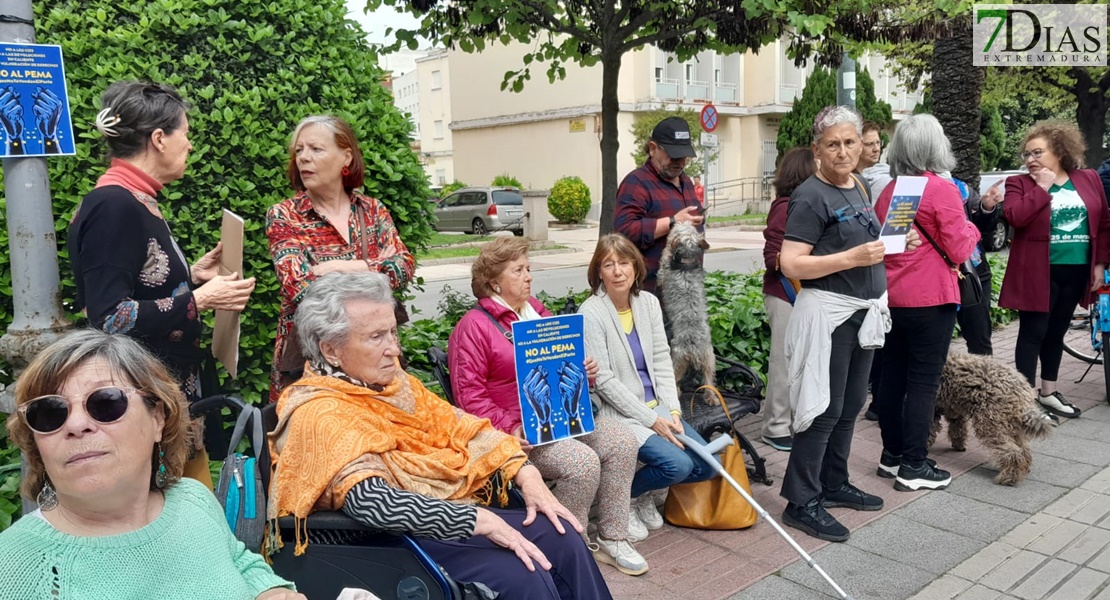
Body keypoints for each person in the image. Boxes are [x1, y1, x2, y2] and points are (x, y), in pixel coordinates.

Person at [267, 273, 614, 598]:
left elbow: (458, 423)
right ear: (331, 350)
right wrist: (478, 519)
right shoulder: (320, 411)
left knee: (564, 535)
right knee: (524, 571)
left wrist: (526, 472)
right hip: (388, 541)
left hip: (442, 516)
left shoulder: (392, 383)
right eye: (376, 337)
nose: (394, 349)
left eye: (392, 332)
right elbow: (372, 501)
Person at [0, 329, 302, 600]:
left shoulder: (192, 500)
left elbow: (238, 560)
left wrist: (269, 590)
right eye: (50, 412)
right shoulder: (13, 568)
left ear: (158, 417)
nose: (77, 424)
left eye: (105, 402)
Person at [67, 80, 255, 487]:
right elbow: (110, 317)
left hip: (162, 403)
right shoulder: (116, 206)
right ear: (158, 138)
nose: (189, 145)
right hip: (143, 407)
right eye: (184, 134)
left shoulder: (131, 199)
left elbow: (137, 284)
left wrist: (191, 276)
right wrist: (200, 300)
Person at [447, 237, 646, 575]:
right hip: (518, 433)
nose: (528, 277)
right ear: (494, 280)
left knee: (622, 440)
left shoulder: (537, 313)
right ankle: (569, 546)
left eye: (529, 269)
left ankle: (613, 536)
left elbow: (564, 366)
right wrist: (510, 427)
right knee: (581, 463)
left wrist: (585, 372)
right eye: (519, 270)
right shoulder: (473, 327)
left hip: (562, 417)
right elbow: (469, 399)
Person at [779, 106, 920, 542]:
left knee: (850, 404)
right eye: (833, 144)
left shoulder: (857, 185)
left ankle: (833, 483)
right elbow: (790, 263)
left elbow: (866, 243)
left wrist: (898, 240)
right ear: (817, 150)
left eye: (850, 142)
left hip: (863, 312)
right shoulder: (810, 195)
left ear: (862, 145)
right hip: (830, 314)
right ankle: (801, 501)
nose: (843, 151)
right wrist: (851, 259)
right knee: (822, 408)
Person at [267, 115, 415, 402]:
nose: (303, 158)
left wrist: (350, 266)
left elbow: (405, 265)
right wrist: (376, 273)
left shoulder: (372, 210)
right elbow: (302, 288)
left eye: (316, 149)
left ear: (345, 157)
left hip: (374, 357)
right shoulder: (284, 216)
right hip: (314, 363)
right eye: (299, 150)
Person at [578, 234, 718, 531]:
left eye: (624, 263)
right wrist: (652, 420)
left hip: (659, 408)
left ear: (636, 267)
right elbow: (603, 380)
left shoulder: (648, 303)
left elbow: (662, 361)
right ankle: (622, 498)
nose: (618, 271)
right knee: (677, 465)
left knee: (707, 464)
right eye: (608, 264)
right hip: (621, 415)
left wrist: (674, 412)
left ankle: (644, 491)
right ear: (598, 271)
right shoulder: (590, 313)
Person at [873, 114, 981, 492]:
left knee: (892, 377)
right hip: (931, 299)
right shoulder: (941, 189)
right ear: (936, 147)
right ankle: (914, 465)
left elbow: (886, 248)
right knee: (922, 383)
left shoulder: (891, 191)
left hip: (893, 298)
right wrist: (974, 225)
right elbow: (960, 246)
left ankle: (892, 456)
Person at [991, 121, 1110, 419]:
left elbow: (1104, 223)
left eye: (1037, 153)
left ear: (1059, 150)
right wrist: (1043, 187)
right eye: (1027, 154)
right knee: (1033, 333)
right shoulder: (1020, 184)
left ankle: (1048, 392)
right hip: (1037, 272)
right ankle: (1024, 400)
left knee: (1057, 333)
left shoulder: (1088, 178)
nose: (1030, 160)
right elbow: (1015, 217)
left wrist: (1099, 265)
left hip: (1076, 270)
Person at [760, 148, 817, 452]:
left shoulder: (805, 204)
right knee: (782, 362)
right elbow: (773, 257)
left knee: (799, 361)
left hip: (800, 294)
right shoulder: (785, 207)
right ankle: (774, 427)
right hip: (784, 293)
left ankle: (793, 420)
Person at [615, 116, 706, 293]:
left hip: (685, 290)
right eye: (673, 155)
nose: (680, 162)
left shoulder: (686, 181)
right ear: (652, 149)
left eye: (684, 156)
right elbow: (623, 232)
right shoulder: (637, 182)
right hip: (650, 292)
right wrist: (672, 222)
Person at [859, 121, 892, 204]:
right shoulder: (847, 178)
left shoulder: (888, 173)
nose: (876, 149)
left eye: (878, 143)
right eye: (870, 144)